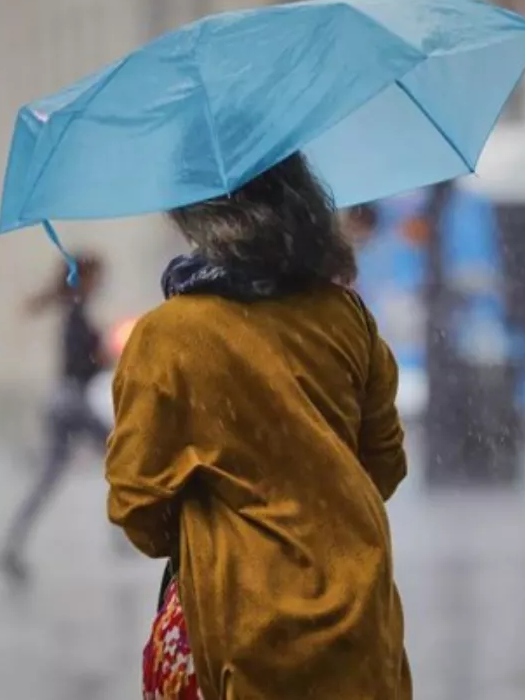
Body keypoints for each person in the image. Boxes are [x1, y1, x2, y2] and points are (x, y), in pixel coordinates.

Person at [106, 153, 411, 700]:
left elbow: (137, 506)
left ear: (197, 213)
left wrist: (211, 522)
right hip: (360, 628)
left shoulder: (167, 337)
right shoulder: (347, 318)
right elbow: (384, 466)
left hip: (239, 635)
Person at [0, 253, 110, 582]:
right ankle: (131, 532)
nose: (102, 284)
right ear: (86, 278)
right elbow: (80, 362)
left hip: (61, 400)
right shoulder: (76, 313)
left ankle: (13, 542)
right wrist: (102, 357)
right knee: (124, 456)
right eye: (98, 276)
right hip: (72, 401)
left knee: (49, 477)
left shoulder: (73, 309)